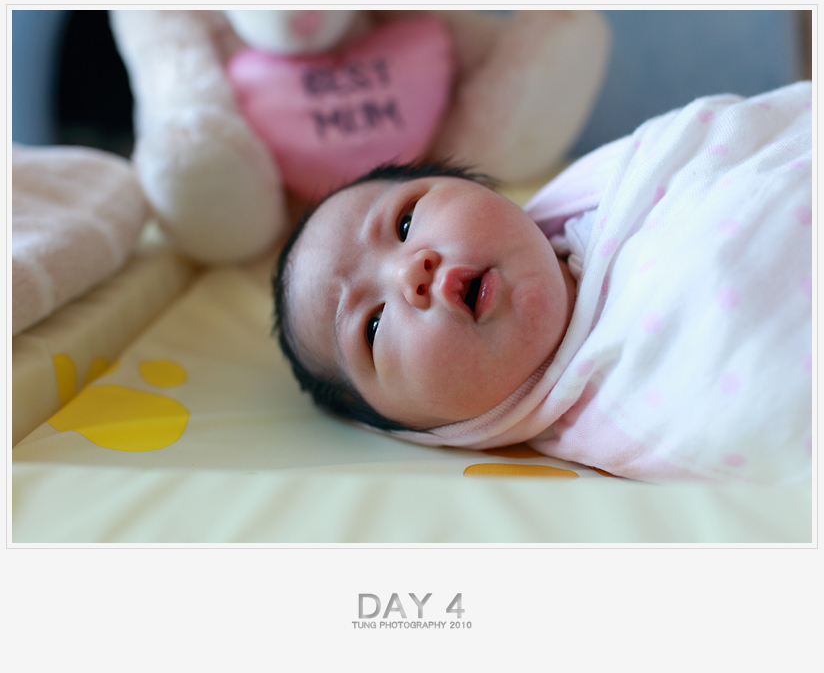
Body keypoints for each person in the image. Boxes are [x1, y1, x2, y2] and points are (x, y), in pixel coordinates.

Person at [273, 82, 812, 484]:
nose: (410, 271)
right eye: (371, 326)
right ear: (411, 424)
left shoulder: (634, 178)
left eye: (405, 222)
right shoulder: (627, 414)